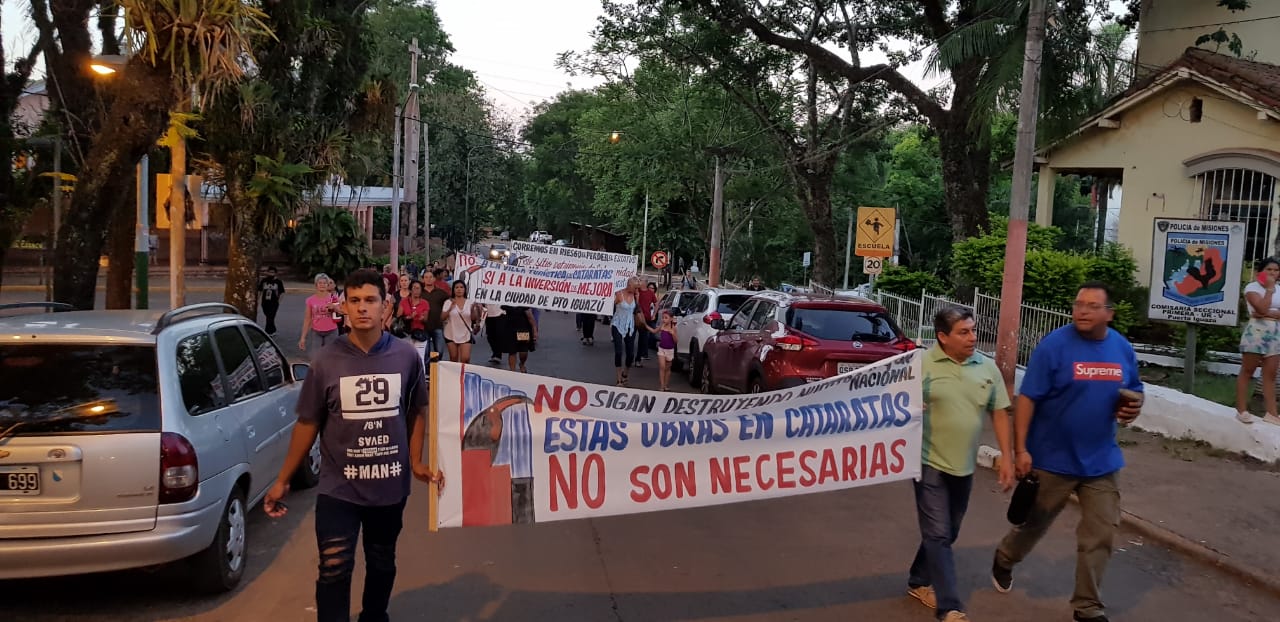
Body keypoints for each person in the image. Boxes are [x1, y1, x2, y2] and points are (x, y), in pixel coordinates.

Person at [264, 268, 443, 622]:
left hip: (390, 487)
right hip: (339, 489)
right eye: (355, 300)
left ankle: (374, 615)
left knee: (382, 562)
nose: (362, 308)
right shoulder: (325, 362)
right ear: (343, 306)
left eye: (370, 300)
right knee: (334, 566)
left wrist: (416, 461)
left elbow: (416, 411)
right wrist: (283, 478)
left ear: (385, 306)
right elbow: (308, 422)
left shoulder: (406, 357)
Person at [991, 282, 1143, 622]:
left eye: (1092, 305)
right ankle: (1005, 557)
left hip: (1101, 461)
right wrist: (1021, 449)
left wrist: (1134, 407)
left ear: (1109, 314)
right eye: (1078, 304)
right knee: (1034, 524)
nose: (1082, 311)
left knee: (1101, 533)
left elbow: (1134, 390)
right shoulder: (1054, 346)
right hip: (1052, 459)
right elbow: (1027, 398)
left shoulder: (1121, 348)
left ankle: (1087, 607)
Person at [905, 306, 1014, 622]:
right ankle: (949, 606)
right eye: (963, 332)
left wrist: (1007, 456)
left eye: (973, 330)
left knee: (948, 531)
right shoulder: (919, 365)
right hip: (927, 462)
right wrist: (912, 406)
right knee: (938, 533)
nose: (972, 337)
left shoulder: (987, 367)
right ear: (943, 337)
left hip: (964, 466)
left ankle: (918, 578)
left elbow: (999, 412)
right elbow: (893, 404)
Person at [1236, 257, 1280, 425]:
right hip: (1256, 333)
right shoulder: (1252, 288)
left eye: (1276, 270)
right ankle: (1241, 410)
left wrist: (1268, 313)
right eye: (1269, 269)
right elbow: (1260, 307)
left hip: (1275, 333)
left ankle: (1272, 413)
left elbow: (1262, 312)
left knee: (1270, 374)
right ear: (1260, 271)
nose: (1273, 273)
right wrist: (1269, 290)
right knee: (1248, 370)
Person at [611, 277, 647, 386]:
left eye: (637, 288)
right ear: (629, 285)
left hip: (630, 326)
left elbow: (637, 310)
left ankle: (625, 373)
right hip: (617, 324)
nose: (637, 290)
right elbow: (610, 307)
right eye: (635, 287)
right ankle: (619, 379)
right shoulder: (619, 294)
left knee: (630, 354)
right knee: (618, 352)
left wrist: (646, 325)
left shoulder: (635, 296)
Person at [442, 280, 483, 364]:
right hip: (451, 333)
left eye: (461, 287)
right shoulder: (448, 302)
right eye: (456, 287)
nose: (459, 289)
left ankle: (464, 372)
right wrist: (450, 308)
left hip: (465, 333)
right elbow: (442, 317)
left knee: (465, 358)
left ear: (465, 289)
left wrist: (473, 309)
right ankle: (455, 372)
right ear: (453, 290)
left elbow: (473, 318)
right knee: (453, 358)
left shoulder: (470, 302)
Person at [299, 274, 340, 354]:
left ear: (327, 285)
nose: (322, 285)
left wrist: (334, 307)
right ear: (316, 285)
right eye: (320, 283)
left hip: (331, 331)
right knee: (316, 356)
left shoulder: (333, 298)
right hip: (316, 331)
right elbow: (307, 319)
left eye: (324, 283)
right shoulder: (310, 300)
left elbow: (341, 312)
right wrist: (303, 338)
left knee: (329, 355)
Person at [644, 309, 678, 391]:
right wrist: (645, 325)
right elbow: (654, 331)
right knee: (662, 367)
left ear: (671, 319)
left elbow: (676, 341)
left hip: (670, 350)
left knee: (667, 369)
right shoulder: (662, 326)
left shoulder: (673, 328)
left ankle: (666, 385)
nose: (663, 319)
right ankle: (662, 386)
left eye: (666, 318)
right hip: (661, 349)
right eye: (663, 318)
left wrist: (673, 334)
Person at [421, 269, 451, 356]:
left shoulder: (441, 292)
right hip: (424, 326)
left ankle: (436, 364)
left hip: (438, 325)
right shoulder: (419, 293)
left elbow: (450, 301)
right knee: (426, 352)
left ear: (434, 279)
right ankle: (428, 365)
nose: (428, 279)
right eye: (426, 277)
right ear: (423, 279)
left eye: (430, 277)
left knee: (439, 351)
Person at [504, 305, 537, 372]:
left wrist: (534, 330)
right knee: (512, 352)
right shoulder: (506, 304)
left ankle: (522, 364)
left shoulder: (524, 305)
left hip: (523, 330)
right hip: (510, 330)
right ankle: (512, 371)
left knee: (523, 352)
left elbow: (530, 318)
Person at [635, 281, 658, 367]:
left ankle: (638, 359)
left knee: (642, 340)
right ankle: (631, 357)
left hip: (645, 319)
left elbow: (656, 304)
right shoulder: (636, 291)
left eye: (640, 280)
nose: (639, 282)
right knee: (631, 338)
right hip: (635, 318)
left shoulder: (650, 294)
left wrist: (654, 314)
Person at [257, 266, 286, 336]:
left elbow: (282, 292)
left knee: (270, 316)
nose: (271, 274)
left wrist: (278, 301)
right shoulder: (264, 281)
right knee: (268, 316)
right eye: (269, 272)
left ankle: (267, 332)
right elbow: (260, 290)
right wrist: (258, 299)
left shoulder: (278, 282)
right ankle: (273, 330)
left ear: (275, 273)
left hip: (274, 303)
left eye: (272, 272)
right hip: (265, 302)